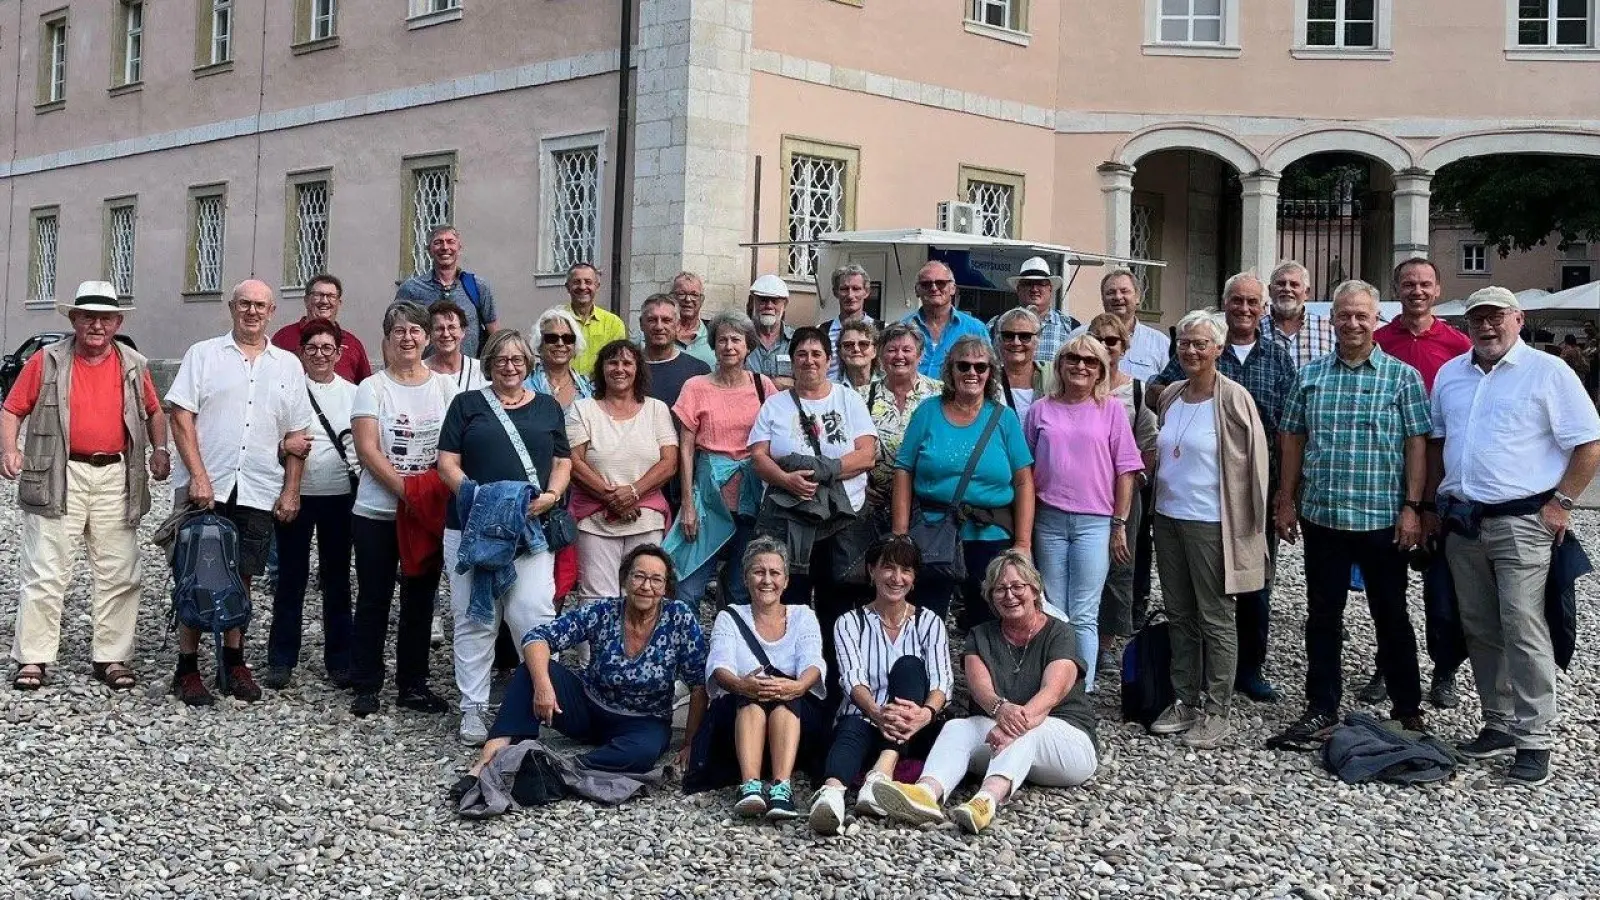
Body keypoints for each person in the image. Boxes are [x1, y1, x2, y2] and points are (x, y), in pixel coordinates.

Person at [1427, 286, 1600, 786]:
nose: (1487, 326)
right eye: (1477, 318)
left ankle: (1535, 738)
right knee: (1479, 624)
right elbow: (1440, 442)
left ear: (1517, 319)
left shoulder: (1548, 372)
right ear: (1467, 325)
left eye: (1496, 317)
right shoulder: (1451, 376)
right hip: (1464, 522)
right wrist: (1434, 501)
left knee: (1523, 625)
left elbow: (1588, 443)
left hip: (1524, 522)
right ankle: (1499, 723)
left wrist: (1562, 503)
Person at [1270, 280, 1432, 750]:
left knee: (1392, 615)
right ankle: (1321, 705)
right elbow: (1292, 438)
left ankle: (1407, 709)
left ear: (1376, 318)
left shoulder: (1401, 377)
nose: (1354, 323)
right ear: (1333, 319)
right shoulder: (1312, 375)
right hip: (1324, 517)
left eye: (1363, 315)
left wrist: (1413, 507)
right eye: (1345, 315)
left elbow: (1416, 444)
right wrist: (1286, 498)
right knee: (1322, 616)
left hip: (1383, 518)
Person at [3, 281, 167, 692]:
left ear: (117, 322)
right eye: (87, 316)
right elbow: (11, 409)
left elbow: (154, 411)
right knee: (45, 567)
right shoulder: (47, 360)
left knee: (119, 570)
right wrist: (8, 450)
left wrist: (160, 449)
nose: (96, 325)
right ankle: (34, 658)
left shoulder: (134, 363)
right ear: (74, 319)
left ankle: (112, 657)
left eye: (104, 317)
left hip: (117, 474)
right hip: (59, 471)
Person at [871, 551, 1097, 834]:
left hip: (1068, 743)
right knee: (956, 727)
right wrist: (1002, 711)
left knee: (1026, 731)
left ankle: (985, 801)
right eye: (1000, 589)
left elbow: (1052, 693)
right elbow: (981, 690)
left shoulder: (1059, 632)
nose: (1009, 595)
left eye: (1018, 587)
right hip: (1002, 733)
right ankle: (926, 794)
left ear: (1035, 590)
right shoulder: (980, 635)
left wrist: (1012, 724)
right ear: (990, 597)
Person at [1148, 273, 1296, 703]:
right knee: (1190, 603)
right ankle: (1192, 687)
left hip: (1244, 494)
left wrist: (1284, 494)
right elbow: (1160, 391)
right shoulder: (1187, 371)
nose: (1245, 308)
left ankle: (1244, 671)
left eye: (1253, 302)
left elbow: (1289, 428)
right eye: (1237, 300)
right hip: (1182, 503)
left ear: (1263, 308)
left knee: (1250, 587)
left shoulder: (1277, 358)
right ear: (1225, 304)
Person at [165, 280, 312, 705]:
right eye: (244, 304)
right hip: (205, 486)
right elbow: (181, 416)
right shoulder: (204, 355)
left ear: (271, 313)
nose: (252, 312)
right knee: (194, 571)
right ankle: (187, 667)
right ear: (231, 307)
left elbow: (298, 435)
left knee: (242, 575)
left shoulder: (288, 366)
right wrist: (198, 475)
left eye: (260, 306)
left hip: (257, 486)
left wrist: (292, 491)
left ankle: (233, 660)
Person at [466, 545, 708, 778]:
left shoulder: (679, 617)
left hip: (644, 720)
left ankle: (562, 767)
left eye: (656, 580)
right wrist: (543, 687)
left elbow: (698, 684)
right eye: (639, 576)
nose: (646, 586)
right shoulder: (604, 611)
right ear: (625, 580)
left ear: (666, 587)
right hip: (590, 706)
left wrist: (690, 743)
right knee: (530, 671)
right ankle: (488, 758)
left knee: (642, 754)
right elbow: (536, 638)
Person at [436, 329, 570, 744]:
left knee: (532, 611)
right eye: (501, 359)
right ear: (488, 363)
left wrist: (551, 495)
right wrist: (477, 496)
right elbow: (446, 461)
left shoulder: (547, 407)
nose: (509, 367)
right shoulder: (467, 405)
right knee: (475, 618)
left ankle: (541, 697)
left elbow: (563, 459)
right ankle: (472, 709)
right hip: (472, 529)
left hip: (530, 529)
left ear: (528, 364)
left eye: (517, 360)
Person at [1146, 310, 1268, 749]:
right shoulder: (1172, 395)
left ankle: (1218, 709)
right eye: (1185, 343)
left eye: (1201, 344)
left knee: (1216, 616)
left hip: (1211, 521)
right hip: (1170, 518)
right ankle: (1184, 698)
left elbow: (1254, 462)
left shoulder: (1233, 397)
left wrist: (1252, 526)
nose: (1191, 351)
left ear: (1218, 349)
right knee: (1179, 612)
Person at [348, 301, 459, 718]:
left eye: (415, 330)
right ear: (387, 338)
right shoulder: (372, 388)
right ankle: (366, 682)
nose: (408, 338)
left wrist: (423, 495)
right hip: (378, 511)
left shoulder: (445, 389)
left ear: (428, 338)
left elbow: (453, 446)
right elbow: (367, 450)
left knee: (420, 597)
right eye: (399, 331)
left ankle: (412, 683)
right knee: (375, 596)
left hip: (428, 511)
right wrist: (408, 492)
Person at [750, 325, 877, 687]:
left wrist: (828, 470)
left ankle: (838, 683)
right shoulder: (775, 405)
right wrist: (785, 479)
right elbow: (758, 456)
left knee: (838, 602)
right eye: (801, 354)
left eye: (816, 354)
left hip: (840, 520)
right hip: (790, 521)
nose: (808, 361)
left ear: (828, 359)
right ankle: (791, 679)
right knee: (792, 599)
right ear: (792, 361)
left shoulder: (848, 400)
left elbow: (867, 454)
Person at [1372, 258, 1474, 709]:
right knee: (1385, 585)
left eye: (1425, 284)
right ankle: (1388, 664)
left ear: (1438, 290)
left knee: (1442, 589)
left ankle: (1445, 668)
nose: (1416, 291)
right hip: (1386, 477)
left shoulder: (1459, 346)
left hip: (1443, 478)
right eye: (1408, 284)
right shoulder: (1379, 342)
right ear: (1396, 289)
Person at [807, 535, 952, 836]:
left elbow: (942, 682)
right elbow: (851, 678)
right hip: (864, 715)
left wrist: (923, 715)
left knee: (910, 667)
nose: (897, 578)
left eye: (906, 571)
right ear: (871, 571)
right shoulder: (849, 622)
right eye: (889, 568)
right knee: (854, 724)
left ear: (914, 578)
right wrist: (876, 712)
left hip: (915, 727)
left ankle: (881, 773)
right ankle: (832, 795)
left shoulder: (929, 622)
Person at [1024, 333, 1142, 693]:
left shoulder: (1111, 411)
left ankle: (1081, 689)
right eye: (1073, 358)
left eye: (1090, 361)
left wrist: (1118, 523)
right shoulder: (1039, 410)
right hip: (1050, 520)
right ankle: (1052, 686)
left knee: (1085, 611)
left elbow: (1127, 471)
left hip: (1095, 522)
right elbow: (1024, 472)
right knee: (1054, 607)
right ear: (1059, 365)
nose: (1081, 366)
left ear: (1100, 370)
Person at [893, 335, 1034, 627]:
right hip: (933, 530)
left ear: (990, 373)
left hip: (990, 535)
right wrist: (900, 533)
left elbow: (1024, 482)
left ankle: (982, 673)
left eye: (980, 367)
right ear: (951, 371)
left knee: (989, 620)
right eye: (964, 366)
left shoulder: (1004, 418)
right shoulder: (928, 412)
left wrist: (1022, 542)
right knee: (925, 616)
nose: (972, 373)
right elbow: (904, 469)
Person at [698, 539, 830, 820]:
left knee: (787, 701)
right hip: (739, 715)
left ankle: (783, 788)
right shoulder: (729, 617)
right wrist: (743, 685)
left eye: (774, 573)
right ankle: (750, 786)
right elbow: (719, 666)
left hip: (792, 717)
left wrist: (796, 686)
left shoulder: (803, 616)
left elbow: (812, 663)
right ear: (746, 578)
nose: (767, 580)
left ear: (786, 580)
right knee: (750, 701)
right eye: (759, 572)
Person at [262, 319, 359, 690]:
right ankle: (281, 659)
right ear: (301, 352)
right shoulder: (287, 389)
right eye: (313, 348)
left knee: (336, 580)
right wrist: (283, 448)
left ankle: (340, 659)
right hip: (295, 495)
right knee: (290, 578)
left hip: (339, 496)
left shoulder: (353, 392)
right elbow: (266, 439)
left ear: (339, 353)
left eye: (327, 348)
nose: (320, 354)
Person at [665, 312, 777, 609]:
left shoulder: (762, 385)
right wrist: (688, 505)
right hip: (708, 496)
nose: (729, 346)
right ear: (713, 345)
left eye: (736, 340)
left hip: (751, 498)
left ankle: (727, 651)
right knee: (688, 585)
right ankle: (685, 652)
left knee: (740, 589)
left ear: (748, 346)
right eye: (722, 339)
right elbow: (686, 448)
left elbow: (776, 438)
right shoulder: (695, 387)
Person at [566, 340, 678, 606]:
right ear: (601, 369)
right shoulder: (583, 409)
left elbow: (669, 462)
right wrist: (612, 497)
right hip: (595, 519)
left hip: (646, 518)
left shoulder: (656, 409)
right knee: (596, 598)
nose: (620, 369)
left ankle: (638, 649)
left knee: (643, 594)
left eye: (627, 363)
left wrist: (634, 492)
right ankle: (595, 650)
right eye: (612, 362)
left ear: (638, 369)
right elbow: (574, 461)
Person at [1085, 313, 1158, 678]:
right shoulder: (1075, 382)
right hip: (1082, 492)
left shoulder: (1136, 390)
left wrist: (1133, 481)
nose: (1104, 346)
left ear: (1124, 346)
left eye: (1111, 341)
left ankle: (1108, 643)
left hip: (1123, 493)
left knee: (1119, 567)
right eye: (1097, 338)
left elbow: (1148, 442)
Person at [859, 322, 942, 510]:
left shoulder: (940, 394)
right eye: (891, 350)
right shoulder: (860, 396)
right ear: (880, 356)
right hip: (874, 505)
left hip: (925, 504)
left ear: (920, 356)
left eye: (907, 350)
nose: (899, 356)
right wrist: (860, 486)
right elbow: (848, 447)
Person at [395, 225, 499, 359]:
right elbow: (391, 336)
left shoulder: (478, 287)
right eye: (438, 242)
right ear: (429, 250)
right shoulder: (411, 289)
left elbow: (495, 336)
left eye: (450, 242)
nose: (445, 247)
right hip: (426, 374)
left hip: (468, 375)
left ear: (459, 248)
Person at [271, 274, 373, 383]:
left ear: (339, 303)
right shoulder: (283, 338)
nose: (324, 301)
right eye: (318, 295)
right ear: (306, 300)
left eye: (331, 296)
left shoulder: (353, 344)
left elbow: (365, 387)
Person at [1075, 268, 1170, 381]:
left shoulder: (1160, 343)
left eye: (1124, 291)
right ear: (1102, 298)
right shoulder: (1079, 336)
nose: (1118, 297)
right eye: (1111, 292)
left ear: (1137, 297)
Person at [902, 260, 988, 377]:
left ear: (953, 288)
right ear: (917, 290)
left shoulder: (975, 329)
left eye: (941, 283)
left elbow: (989, 371)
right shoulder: (902, 328)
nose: (934, 288)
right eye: (926, 284)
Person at [989, 256, 1079, 367]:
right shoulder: (996, 324)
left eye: (1041, 283)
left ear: (1050, 289)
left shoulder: (1071, 327)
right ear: (1018, 289)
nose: (1034, 289)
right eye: (1028, 283)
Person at [638, 293, 710, 413]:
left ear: (677, 325)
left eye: (666, 320)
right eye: (652, 320)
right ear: (641, 324)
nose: (659, 326)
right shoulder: (627, 369)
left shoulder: (698, 371)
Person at [1261, 260, 1335, 370]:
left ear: (1306, 293)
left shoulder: (1329, 329)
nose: (1287, 289)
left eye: (1294, 284)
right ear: (1270, 291)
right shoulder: (1256, 329)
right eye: (1281, 284)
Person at [561, 262, 626, 378]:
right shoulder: (557, 320)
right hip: (564, 389)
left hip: (600, 391)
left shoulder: (613, 323)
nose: (582, 287)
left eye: (588, 282)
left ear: (597, 286)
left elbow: (617, 362)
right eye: (576, 282)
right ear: (567, 287)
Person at [526, 307, 594, 410]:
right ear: (540, 343)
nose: (560, 343)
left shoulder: (588, 388)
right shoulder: (525, 385)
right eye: (552, 338)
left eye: (568, 338)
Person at [819, 264, 877, 381]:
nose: (850, 295)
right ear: (835, 292)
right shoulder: (821, 331)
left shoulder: (882, 329)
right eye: (844, 289)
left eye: (856, 289)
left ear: (866, 292)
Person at [994, 307, 1048, 424]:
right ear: (999, 340)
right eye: (1008, 336)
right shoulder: (987, 380)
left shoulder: (1052, 379)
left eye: (1025, 336)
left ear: (1037, 340)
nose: (1016, 342)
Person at [426, 299, 490, 393]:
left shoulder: (480, 371)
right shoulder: (420, 371)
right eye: (439, 329)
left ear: (463, 331)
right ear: (430, 333)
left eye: (452, 327)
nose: (446, 334)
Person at [746, 274, 796, 389]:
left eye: (775, 301)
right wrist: (777, 383)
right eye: (763, 300)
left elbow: (807, 383)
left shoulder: (796, 341)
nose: (769, 306)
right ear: (752, 302)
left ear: (785, 304)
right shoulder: (739, 339)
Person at [669, 271, 716, 367]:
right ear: (671, 297)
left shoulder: (715, 334)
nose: (688, 299)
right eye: (681, 294)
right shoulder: (656, 334)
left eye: (694, 295)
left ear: (701, 300)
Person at [834, 318, 879, 389]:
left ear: (875, 351)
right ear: (840, 352)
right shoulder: (831, 389)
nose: (856, 349)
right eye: (848, 345)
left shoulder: (889, 385)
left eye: (863, 344)